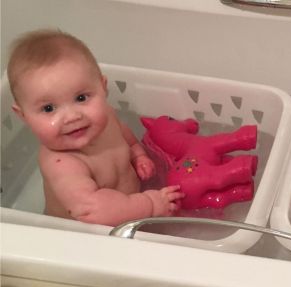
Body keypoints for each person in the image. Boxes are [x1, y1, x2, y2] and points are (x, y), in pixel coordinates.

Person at [7, 29, 184, 226]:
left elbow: (125, 135)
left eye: (81, 98)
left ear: (102, 87)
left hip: (130, 212)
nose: (73, 117)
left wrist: (137, 155)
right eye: (48, 108)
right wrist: (150, 203)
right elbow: (92, 211)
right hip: (85, 237)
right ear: (23, 115)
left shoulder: (104, 116)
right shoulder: (61, 163)